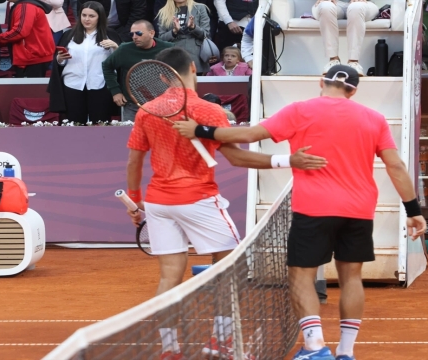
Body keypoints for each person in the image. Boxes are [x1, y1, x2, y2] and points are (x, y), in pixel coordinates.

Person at [173, 64, 427, 360]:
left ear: (322, 82)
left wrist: (200, 130)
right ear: (353, 90)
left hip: (314, 208)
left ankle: (315, 347)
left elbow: (251, 135)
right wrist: (413, 210)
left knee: (300, 276)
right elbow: (396, 166)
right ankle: (346, 352)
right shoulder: (375, 118)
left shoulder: (299, 111)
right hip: (359, 209)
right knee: (352, 277)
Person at [126, 46, 327, 359]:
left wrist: (135, 202)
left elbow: (134, 163)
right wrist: (289, 160)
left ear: (163, 76)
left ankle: (170, 350)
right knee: (230, 270)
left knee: (169, 277)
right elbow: (236, 157)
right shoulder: (209, 111)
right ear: (193, 68)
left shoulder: (147, 110)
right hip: (198, 199)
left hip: (158, 203)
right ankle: (221, 342)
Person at [48, 1, 120, 124]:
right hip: (72, 85)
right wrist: (60, 59)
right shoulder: (69, 35)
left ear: (100, 17)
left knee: (100, 125)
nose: (87, 19)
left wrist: (116, 48)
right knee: (73, 126)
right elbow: (59, 64)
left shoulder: (110, 35)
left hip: (100, 85)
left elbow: (118, 64)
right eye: (84, 15)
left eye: (91, 16)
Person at [102, 19, 173, 121]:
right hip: (132, 105)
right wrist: (115, 91)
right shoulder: (124, 49)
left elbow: (180, 71)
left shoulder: (168, 49)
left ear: (151, 33)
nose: (135, 37)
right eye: (132, 34)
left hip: (161, 104)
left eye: (139, 33)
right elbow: (107, 66)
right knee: (129, 135)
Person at [0, 0, 55, 78]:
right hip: (32, 57)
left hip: (32, 59)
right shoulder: (24, 4)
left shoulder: (25, 5)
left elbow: (19, 31)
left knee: (30, 89)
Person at [313, 0, 380, 76]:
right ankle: (333, 60)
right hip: (333, 3)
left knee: (356, 7)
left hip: (363, 3)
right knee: (326, 7)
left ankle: (353, 62)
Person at [156, 0, 210, 74]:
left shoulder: (200, 8)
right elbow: (161, 38)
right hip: (173, 58)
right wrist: (174, 31)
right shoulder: (164, 11)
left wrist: (193, 27)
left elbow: (206, 34)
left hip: (195, 56)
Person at [77, 0, 147, 42]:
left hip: (124, 27)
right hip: (96, 27)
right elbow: (83, 11)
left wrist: (124, 37)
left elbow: (138, 12)